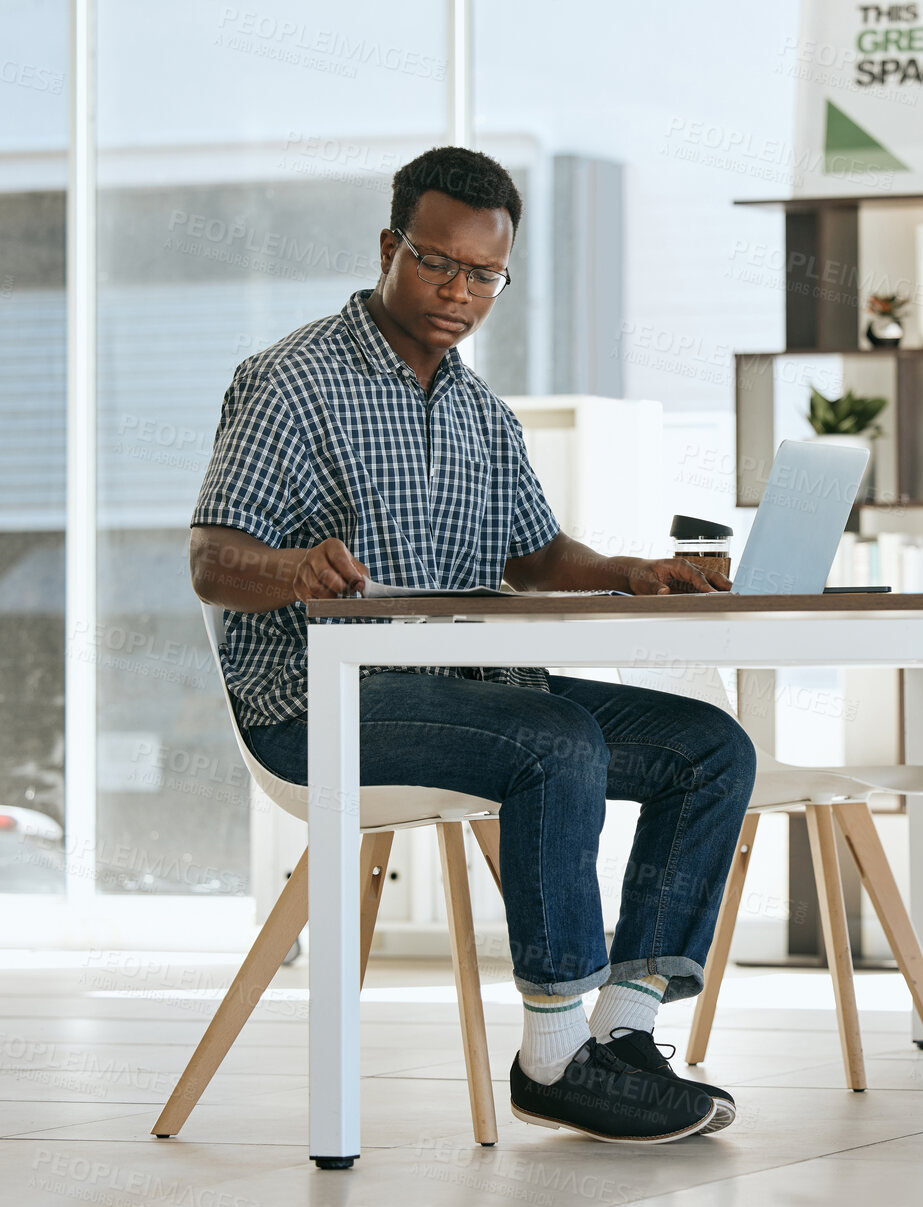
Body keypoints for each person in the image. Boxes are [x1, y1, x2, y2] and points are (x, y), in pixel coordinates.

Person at [188, 146, 755, 1144]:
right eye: (436, 262)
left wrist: (631, 568)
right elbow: (209, 557)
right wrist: (292, 569)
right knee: (552, 737)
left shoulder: (481, 414)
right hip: (321, 707)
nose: (458, 291)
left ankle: (621, 1040)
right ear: (387, 247)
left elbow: (536, 557)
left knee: (709, 747)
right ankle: (550, 1057)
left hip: (470, 699)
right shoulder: (290, 381)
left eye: (483, 273)